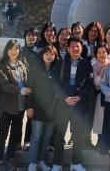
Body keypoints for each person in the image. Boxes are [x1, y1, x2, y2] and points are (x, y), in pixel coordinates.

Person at [52, 36, 93, 171]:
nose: (75, 48)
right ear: (68, 48)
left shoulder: (86, 64)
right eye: (73, 46)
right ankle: (57, 164)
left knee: (78, 135)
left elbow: (90, 84)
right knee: (59, 135)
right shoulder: (61, 62)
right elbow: (54, 82)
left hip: (79, 105)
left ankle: (76, 163)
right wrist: (64, 97)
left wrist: (79, 97)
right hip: (63, 104)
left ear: (81, 48)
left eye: (78, 46)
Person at [0, 39, 31, 171]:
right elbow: (5, 85)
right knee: (3, 132)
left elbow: (28, 81)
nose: (14, 51)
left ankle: (10, 158)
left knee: (15, 133)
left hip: (20, 104)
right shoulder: (2, 65)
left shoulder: (22, 64)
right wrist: (20, 90)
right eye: (11, 49)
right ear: (7, 50)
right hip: (7, 104)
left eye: (16, 49)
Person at [26, 45, 60, 171]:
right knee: (36, 137)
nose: (49, 56)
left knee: (46, 137)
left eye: (52, 54)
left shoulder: (57, 70)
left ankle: (41, 161)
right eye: (47, 54)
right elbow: (29, 89)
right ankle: (32, 163)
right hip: (37, 108)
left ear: (55, 56)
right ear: (42, 55)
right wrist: (29, 107)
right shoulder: (35, 69)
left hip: (52, 109)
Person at [82, 22, 105, 148]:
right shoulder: (82, 45)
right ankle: (85, 138)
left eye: (96, 31)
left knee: (97, 114)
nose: (93, 33)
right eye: (91, 30)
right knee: (88, 113)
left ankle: (96, 139)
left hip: (99, 83)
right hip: (87, 83)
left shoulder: (101, 45)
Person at [91, 43, 110, 154]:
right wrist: (102, 70)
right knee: (100, 121)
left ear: (107, 53)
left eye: (104, 52)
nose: (102, 54)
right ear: (96, 54)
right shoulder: (94, 65)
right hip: (100, 96)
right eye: (99, 52)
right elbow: (96, 84)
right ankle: (101, 143)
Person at [21, 27, 40, 151]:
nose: (31, 37)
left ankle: (28, 140)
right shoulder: (20, 51)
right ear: (25, 37)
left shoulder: (39, 52)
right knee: (18, 117)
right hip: (20, 87)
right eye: (29, 35)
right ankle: (18, 142)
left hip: (33, 87)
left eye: (34, 35)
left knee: (31, 115)